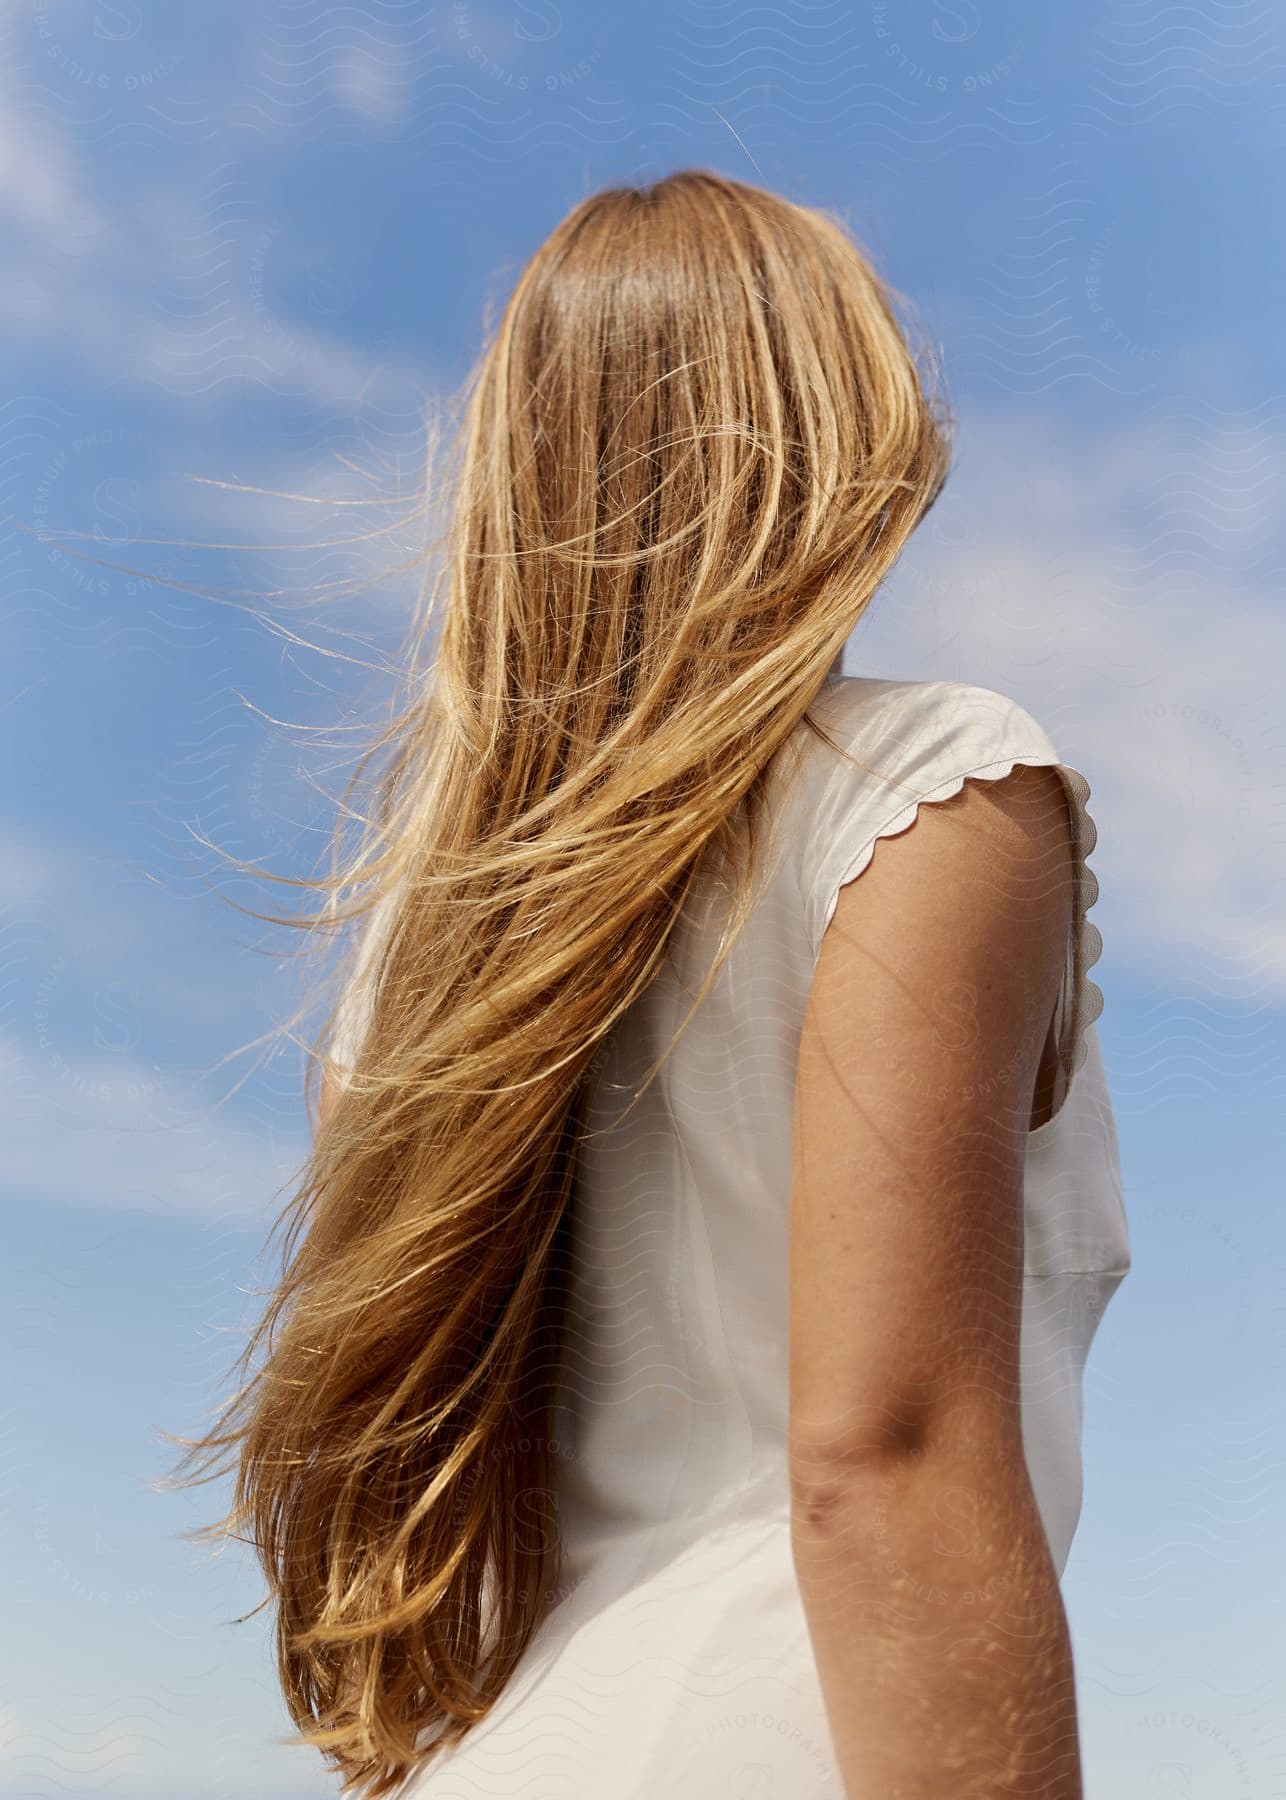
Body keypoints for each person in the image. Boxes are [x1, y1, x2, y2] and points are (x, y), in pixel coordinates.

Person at [181, 170, 1132, 1797]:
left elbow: (402, 1481)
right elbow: (880, 1462)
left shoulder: (425, 943)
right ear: (841, 425)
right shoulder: (930, 786)